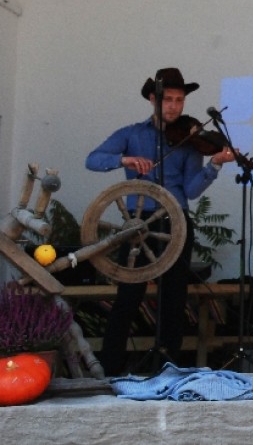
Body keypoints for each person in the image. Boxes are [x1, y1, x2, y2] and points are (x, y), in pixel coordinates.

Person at [86, 67, 236, 374]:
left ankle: (168, 368)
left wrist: (214, 166)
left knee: (174, 298)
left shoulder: (189, 139)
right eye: (168, 99)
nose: (174, 107)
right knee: (128, 296)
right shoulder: (131, 134)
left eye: (179, 100)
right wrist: (124, 159)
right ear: (153, 100)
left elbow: (191, 191)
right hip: (138, 224)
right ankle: (110, 369)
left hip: (176, 222)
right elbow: (93, 160)